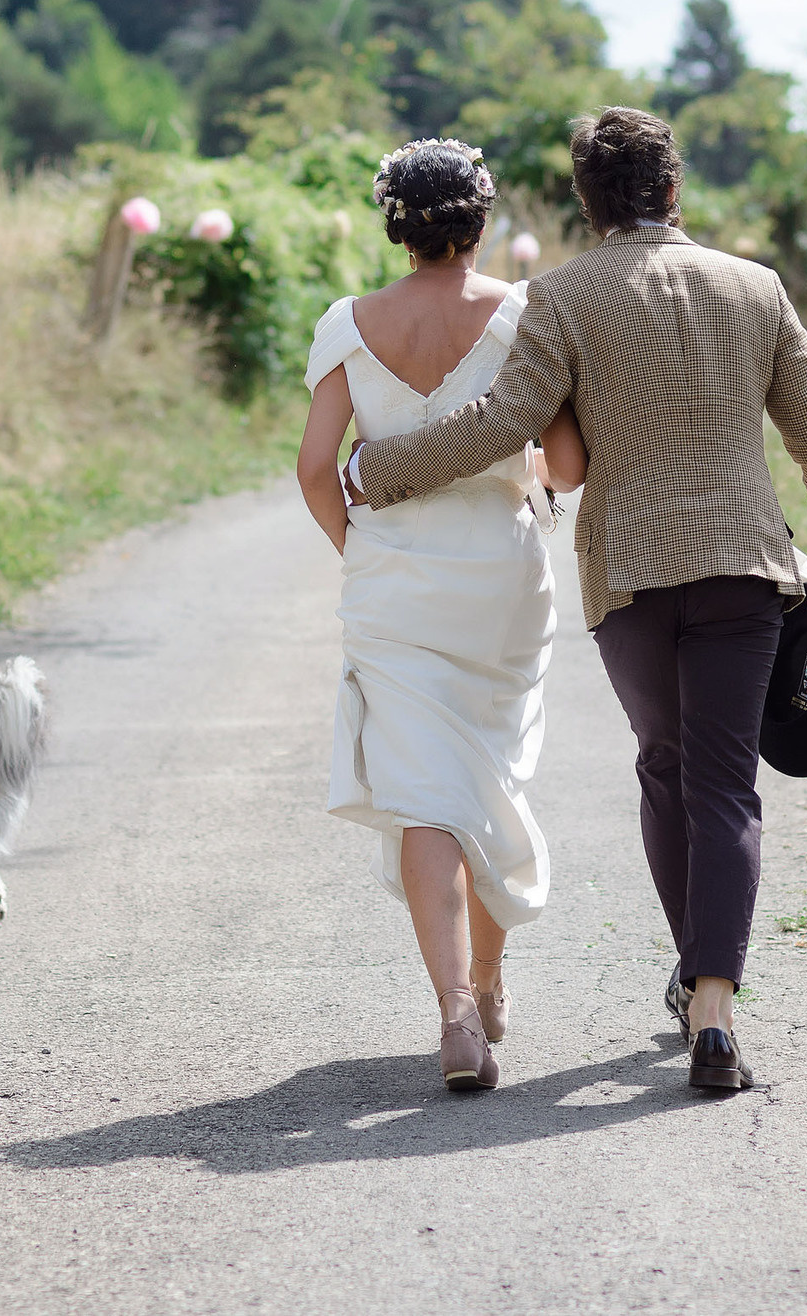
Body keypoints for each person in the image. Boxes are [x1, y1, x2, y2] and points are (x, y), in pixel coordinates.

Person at [348, 106, 807, 1091]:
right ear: (673, 191)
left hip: (629, 575)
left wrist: (381, 469)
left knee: (665, 766)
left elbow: (505, 421)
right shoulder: (753, 287)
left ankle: (696, 978)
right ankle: (711, 1006)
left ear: (588, 207)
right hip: (744, 567)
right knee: (723, 782)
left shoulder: (564, 295)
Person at [296, 139, 587, 1093]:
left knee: (427, 794)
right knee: (489, 780)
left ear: (394, 223)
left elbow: (314, 467)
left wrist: (366, 554)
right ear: (481, 222)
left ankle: (456, 1012)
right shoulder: (522, 313)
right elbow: (565, 459)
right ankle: (492, 983)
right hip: (500, 580)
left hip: (393, 581)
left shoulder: (348, 323)